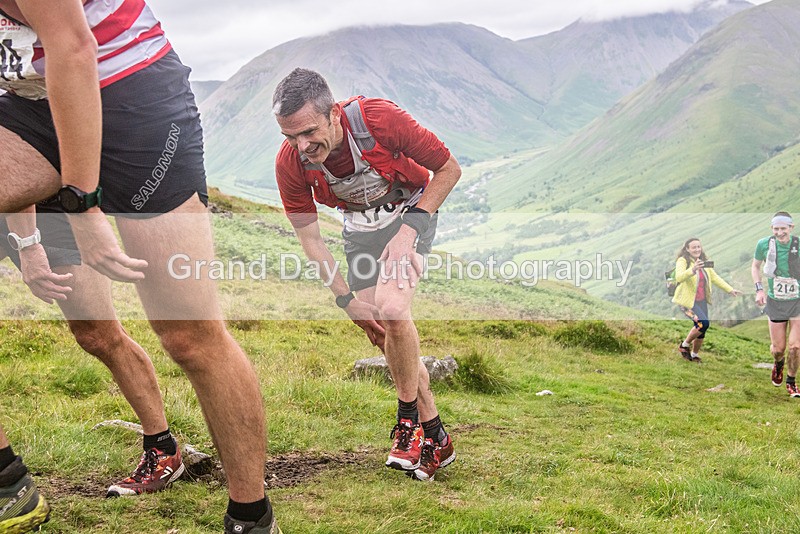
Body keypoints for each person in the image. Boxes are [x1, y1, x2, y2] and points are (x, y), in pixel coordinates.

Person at [0, 2, 277, 532]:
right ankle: (8, 485)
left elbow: (75, 47)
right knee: (96, 331)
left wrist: (82, 206)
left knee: (189, 335)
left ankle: (252, 517)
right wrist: (29, 239)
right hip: (35, 104)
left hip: (133, 101)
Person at [272, 68, 460, 482]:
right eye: (290, 137)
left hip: (409, 216)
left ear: (334, 114)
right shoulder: (291, 163)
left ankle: (406, 421)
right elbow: (311, 239)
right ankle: (436, 436)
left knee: (393, 310)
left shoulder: (378, 119)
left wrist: (409, 232)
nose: (302, 147)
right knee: (384, 331)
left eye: (308, 132)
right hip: (359, 232)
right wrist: (346, 301)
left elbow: (448, 170)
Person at [1, 208, 185, 499]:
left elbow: (12, 172)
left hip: (42, 208)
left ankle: (162, 450)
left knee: (99, 335)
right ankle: (6, 475)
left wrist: (28, 243)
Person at [752, 211, 800, 398]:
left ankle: (791, 381)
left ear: (791, 227)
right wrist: (759, 289)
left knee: (795, 346)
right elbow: (755, 266)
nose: (780, 232)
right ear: (772, 229)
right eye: (776, 229)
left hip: (797, 300)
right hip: (776, 301)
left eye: (783, 229)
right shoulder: (763, 244)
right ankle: (779, 364)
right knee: (778, 349)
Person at [672, 237, 742, 363]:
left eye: (699, 247)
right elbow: (679, 277)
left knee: (702, 329)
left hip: (701, 300)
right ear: (687, 249)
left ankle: (694, 355)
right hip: (687, 302)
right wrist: (693, 270)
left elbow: (714, 278)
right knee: (703, 323)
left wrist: (730, 289)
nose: (697, 249)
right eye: (694, 247)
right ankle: (684, 346)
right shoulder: (683, 261)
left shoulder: (704, 261)